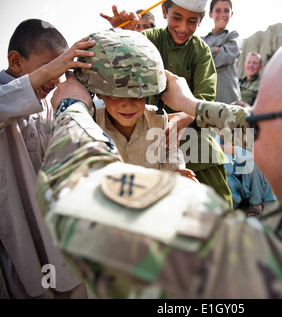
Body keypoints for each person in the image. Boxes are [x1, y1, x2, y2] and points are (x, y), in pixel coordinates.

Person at [37, 10, 282, 299]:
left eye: (260, 123)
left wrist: (71, 111)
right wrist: (193, 105)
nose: (249, 132)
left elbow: (86, 205)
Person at [0, 19, 93, 299]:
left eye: (60, 69)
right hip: (15, 236)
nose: (55, 79)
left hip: (58, 236)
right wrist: (45, 75)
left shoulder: (48, 105)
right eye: (49, 67)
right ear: (15, 61)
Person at [100, 0, 233, 208]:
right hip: (153, 138)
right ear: (164, 11)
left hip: (194, 133)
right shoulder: (148, 39)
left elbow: (205, 96)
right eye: (176, 18)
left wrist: (184, 118)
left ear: (201, 19)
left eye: (191, 21)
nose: (182, 28)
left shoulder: (201, 51)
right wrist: (119, 32)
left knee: (218, 205)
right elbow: (119, 54)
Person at [75, 28, 196, 181]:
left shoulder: (157, 120)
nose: (128, 105)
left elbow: (169, 156)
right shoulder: (89, 123)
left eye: (137, 94)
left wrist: (177, 171)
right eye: (117, 95)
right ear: (99, 92)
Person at [219, 101, 277, 216]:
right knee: (224, 174)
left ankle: (256, 202)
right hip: (238, 181)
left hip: (256, 183)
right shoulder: (223, 134)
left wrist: (224, 148)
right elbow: (228, 167)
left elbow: (249, 155)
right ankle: (231, 202)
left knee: (252, 162)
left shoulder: (256, 134)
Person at [201, 0, 242, 104]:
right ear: (210, 14)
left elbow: (220, 59)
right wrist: (216, 49)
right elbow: (199, 62)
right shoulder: (202, 40)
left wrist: (207, 53)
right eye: (218, 10)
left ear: (231, 13)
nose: (222, 15)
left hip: (230, 99)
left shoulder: (233, 36)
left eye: (226, 11)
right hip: (207, 101)